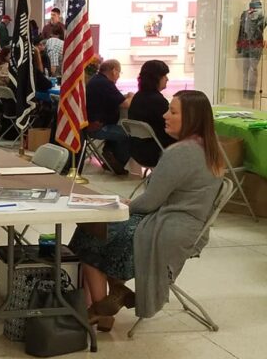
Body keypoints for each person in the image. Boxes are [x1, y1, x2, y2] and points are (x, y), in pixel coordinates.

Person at [69, 90, 223, 330]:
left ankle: (101, 309)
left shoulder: (181, 152)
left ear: (191, 117)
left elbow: (150, 201)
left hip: (167, 229)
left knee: (90, 233)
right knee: (105, 233)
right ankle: (114, 295)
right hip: (188, 228)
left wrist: (124, 205)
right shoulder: (210, 148)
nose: (165, 115)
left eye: (172, 111)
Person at [85, 59, 133, 174]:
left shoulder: (97, 80)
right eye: (119, 73)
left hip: (92, 124)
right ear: (114, 71)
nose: (118, 76)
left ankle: (109, 153)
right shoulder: (106, 83)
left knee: (119, 128)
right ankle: (117, 163)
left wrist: (125, 96)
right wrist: (131, 96)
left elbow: (115, 97)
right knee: (130, 135)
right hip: (98, 128)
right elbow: (125, 104)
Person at [128, 60, 177, 167]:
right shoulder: (157, 100)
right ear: (155, 78)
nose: (167, 79)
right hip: (156, 152)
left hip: (136, 150)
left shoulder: (138, 96)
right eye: (164, 75)